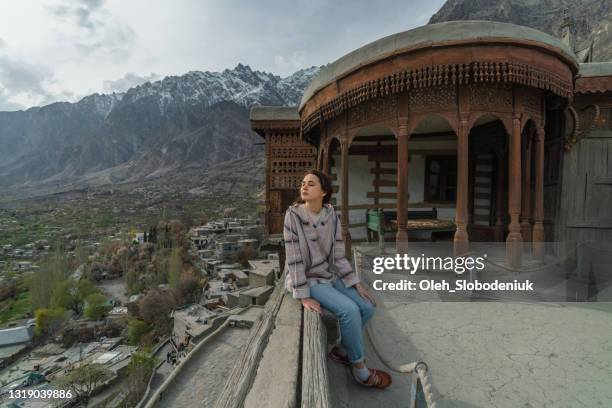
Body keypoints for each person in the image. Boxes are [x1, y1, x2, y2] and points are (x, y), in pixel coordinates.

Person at [283, 169, 392, 389]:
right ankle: (359, 369)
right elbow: (293, 258)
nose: (304, 186)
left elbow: (339, 256)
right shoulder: (292, 216)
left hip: (329, 274)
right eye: (303, 183)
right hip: (308, 279)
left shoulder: (332, 216)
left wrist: (356, 283)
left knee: (367, 306)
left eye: (311, 184)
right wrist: (303, 296)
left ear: (324, 191)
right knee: (349, 310)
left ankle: (342, 350)